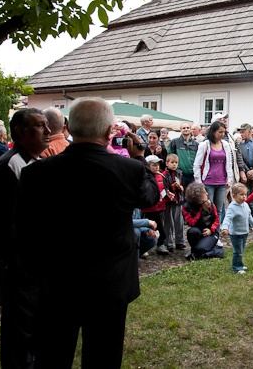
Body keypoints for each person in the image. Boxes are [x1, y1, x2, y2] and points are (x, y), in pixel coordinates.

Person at [13, 97, 159, 368]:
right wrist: (140, 157)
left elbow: (24, 229)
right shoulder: (129, 169)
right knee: (103, 357)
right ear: (109, 131)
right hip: (110, 283)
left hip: (57, 281)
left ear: (69, 127)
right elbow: (150, 197)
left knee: (52, 357)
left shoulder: (37, 173)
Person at [0, 108, 51, 367]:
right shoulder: (10, 165)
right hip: (20, 264)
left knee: (35, 325)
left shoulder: (35, 161)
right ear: (19, 132)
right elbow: (4, 222)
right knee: (19, 328)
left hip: (37, 262)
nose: (48, 132)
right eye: (40, 126)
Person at [193, 120, 238, 224]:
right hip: (208, 182)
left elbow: (229, 163)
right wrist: (199, 182)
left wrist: (229, 179)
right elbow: (197, 164)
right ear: (213, 132)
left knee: (219, 210)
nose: (222, 134)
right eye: (220, 132)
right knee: (208, 209)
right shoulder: (204, 145)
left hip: (222, 182)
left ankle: (216, 232)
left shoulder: (225, 145)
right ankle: (208, 230)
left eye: (224, 132)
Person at [221, 183, 253, 274]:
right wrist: (225, 227)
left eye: (245, 194)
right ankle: (236, 267)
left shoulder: (245, 205)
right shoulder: (232, 207)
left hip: (244, 232)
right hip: (236, 234)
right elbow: (227, 218)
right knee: (238, 251)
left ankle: (239, 263)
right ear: (234, 195)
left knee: (241, 250)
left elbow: (249, 216)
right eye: (241, 194)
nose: (244, 197)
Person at [182, 183, 221, 260]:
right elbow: (191, 222)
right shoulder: (187, 207)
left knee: (201, 249)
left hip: (211, 232)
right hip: (198, 230)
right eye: (204, 192)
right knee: (192, 232)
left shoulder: (210, 204)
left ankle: (199, 253)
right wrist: (201, 211)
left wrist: (211, 230)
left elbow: (216, 219)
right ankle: (197, 251)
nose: (207, 193)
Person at [142, 155, 170, 255]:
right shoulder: (145, 177)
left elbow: (164, 188)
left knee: (159, 226)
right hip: (148, 208)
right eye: (154, 165)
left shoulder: (161, 176)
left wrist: (167, 193)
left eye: (157, 165)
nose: (157, 167)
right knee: (147, 227)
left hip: (159, 207)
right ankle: (144, 246)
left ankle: (160, 244)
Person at [162, 153, 185, 252]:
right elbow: (164, 188)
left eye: (176, 162)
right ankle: (168, 243)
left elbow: (182, 185)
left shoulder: (179, 173)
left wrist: (180, 187)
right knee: (169, 223)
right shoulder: (164, 174)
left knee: (179, 222)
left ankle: (180, 242)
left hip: (178, 200)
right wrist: (171, 188)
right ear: (167, 163)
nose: (174, 164)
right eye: (172, 162)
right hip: (169, 202)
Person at [168, 122, 199, 186]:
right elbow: (169, 156)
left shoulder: (196, 144)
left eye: (188, 128)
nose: (186, 129)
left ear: (190, 129)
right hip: (179, 174)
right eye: (184, 128)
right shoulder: (174, 142)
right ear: (180, 130)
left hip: (192, 175)